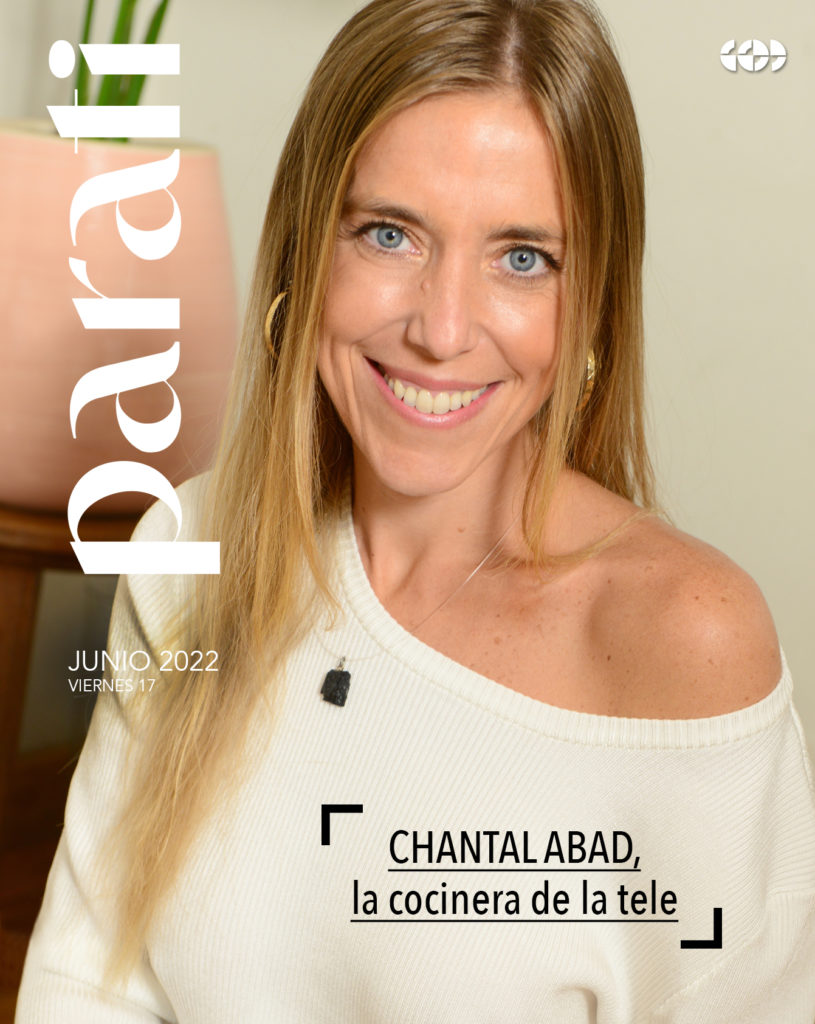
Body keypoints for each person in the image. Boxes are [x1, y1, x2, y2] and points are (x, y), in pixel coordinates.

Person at [16, 0, 815, 1020]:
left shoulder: (684, 637)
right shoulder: (190, 549)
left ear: (591, 309)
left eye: (521, 257)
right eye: (388, 234)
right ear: (306, 250)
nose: (441, 330)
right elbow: (87, 985)